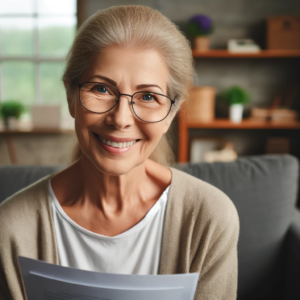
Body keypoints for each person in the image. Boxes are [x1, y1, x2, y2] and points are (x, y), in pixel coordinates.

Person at [0, 5, 239, 300]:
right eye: (101, 89)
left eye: (149, 96)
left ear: (171, 113)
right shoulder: (13, 227)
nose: (121, 119)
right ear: (71, 97)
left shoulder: (209, 217)